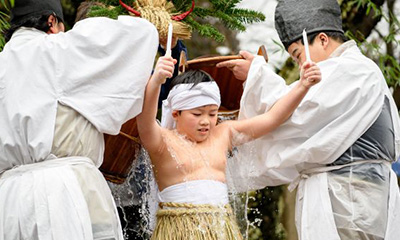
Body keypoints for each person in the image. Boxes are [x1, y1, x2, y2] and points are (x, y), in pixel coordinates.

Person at [217, 0, 400, 239]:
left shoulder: (352, 71)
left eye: (297, 54)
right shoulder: (359, 71)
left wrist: (257, 76)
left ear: (323, 40)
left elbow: (295, 115)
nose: (299, 64)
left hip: (351, 201)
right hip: (356, 198)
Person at [0, 0, 159, 239]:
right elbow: (141, 34)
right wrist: (154, 18)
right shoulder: (54, 49)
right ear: (51, 22)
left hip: (9, 199)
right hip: (62, 192)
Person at [136, 51, 321, 239]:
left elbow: (271, 119)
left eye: (212, 113)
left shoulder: (223, 134)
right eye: (197, 114)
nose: (206, 121)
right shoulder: (162, 141)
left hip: (221, 228)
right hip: (176, 228)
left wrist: (303, 85)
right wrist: (156, 81)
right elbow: (145, 120)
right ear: (176, 114)